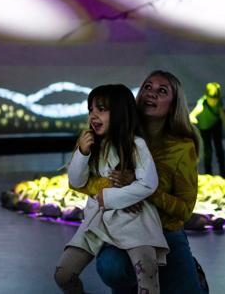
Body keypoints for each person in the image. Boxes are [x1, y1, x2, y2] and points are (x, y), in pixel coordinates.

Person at [72, 70, 208, 293]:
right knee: (112, 268)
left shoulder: (182, 147)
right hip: (123, 229)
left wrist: (142, 189)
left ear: (173, 105)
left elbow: (184, 210)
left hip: (166, 233)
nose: (151, 94)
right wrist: (119, 195)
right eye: (147, 87)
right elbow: (78, 182)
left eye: (162, 91)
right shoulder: (108, 133)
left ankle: (193, 275)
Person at [54, 84, 169, 294]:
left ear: (120, 113)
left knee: (148, 279)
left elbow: (148, 183)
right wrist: (82, 151)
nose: (93, 115)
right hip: (97, 221)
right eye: (91, 110)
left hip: (134, 221)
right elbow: (77, 181)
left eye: (101, 109)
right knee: (63, 274)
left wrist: (108, 197)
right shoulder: (92, 145)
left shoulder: (136, 145)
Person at [189, 82, 225, 176]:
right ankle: (208, 172)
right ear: (207, 96)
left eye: (215, 99)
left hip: (216, 125)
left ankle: (223, 171)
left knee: (219, 147)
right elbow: (194, 113)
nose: (214, 101)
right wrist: (192, 117)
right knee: (208, 150)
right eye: (212, 99)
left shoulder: (218, 102)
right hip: (205, 128)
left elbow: (221, 112)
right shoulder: (202, 103)